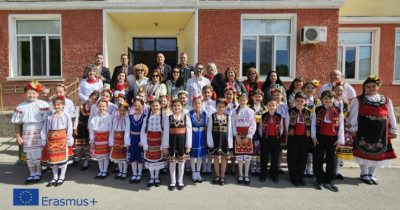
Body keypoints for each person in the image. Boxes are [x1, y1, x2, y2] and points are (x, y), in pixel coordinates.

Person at [349, 76, 397, 185]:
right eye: (368, 86)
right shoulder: (358, 99)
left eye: (373, 86)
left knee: (378, 150)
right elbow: (353, 115)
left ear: (378, 87)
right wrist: (353, 128)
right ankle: (364, 173)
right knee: (363, 149)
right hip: (364, 128)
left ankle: (372, 174)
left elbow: (391, 115)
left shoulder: (386, 99)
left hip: (381, 130)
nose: (371, 88)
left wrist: (394, 130)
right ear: (364, 88)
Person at [11, 80, 51, 184]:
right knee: (29, 155)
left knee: (37, 153)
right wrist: (18, 136)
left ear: (38, 93)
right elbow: (17, 123)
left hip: (39, 130)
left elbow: (48, 121)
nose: (31, 95)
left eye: (33, 93)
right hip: (27, 132)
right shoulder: (21, 106)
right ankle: (32, 173)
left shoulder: (43, 104)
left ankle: (38, 172)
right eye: (28, 93)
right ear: (24, 94)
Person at [311, 90, 344, 192]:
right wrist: (313, 137)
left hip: (333, 138)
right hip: (320, 137)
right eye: (325, 98)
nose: (328, 100)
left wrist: (340, 140)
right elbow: (313, 124)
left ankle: (329, 181)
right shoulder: (318, 109)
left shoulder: (338, 110)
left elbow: (341, 125)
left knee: (332, 160)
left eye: (330, 98)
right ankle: (319, 180)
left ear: (334, 99)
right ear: (322, 99)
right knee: (318, 158)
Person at [40, 95, 73, 187]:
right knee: (53, 160)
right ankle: (54, 177)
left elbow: (69, 128)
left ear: (63, 105)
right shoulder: (49, 117)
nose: (57, 107)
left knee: (63, 159)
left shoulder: (66, 116)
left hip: (62, 140)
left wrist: (69, 139)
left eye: (59, 105)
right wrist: (44, 139)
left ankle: (62, 176)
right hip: (51, 141)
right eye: (55, 105)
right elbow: (45, 129)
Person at [163, 98, 192, 191]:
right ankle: (172, 181)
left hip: (182, 143)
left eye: (179, 105)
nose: (177, 107)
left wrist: (188, 145)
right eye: (175, 105)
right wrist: (165, 146)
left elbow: (189, 132)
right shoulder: (169, 118)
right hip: (172, 142)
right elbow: (166, 133)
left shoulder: (186, 117)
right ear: (172, 107)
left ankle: (180, 181)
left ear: (182, 106)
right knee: (172, 162)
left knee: (181, 162)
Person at [285, 91, 312, 187]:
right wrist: (289, 138)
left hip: (304, 138)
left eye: (302, 101)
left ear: (305, 101)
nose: (300, 103)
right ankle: (294, 178)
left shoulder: (308, 112)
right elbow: (287, 125)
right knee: (292, 158)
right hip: (293, 137)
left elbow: (310, 126)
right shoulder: (290, 111)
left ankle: (300, 177)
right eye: (298, 101)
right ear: (294, 101)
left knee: (302, 158)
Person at [232, 93, 257, 185]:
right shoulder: (235, 112)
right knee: (239, 156)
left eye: (244, 100)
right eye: (240, 100)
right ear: (238, 100)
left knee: (247, 156)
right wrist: (236, 136)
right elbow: (233, 124)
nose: (242, 102)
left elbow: (253, 124)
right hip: (238, 135)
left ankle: (246, 174)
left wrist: (249, 136)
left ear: (247, 101)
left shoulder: (250, 111)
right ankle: (240, 174)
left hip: (247, 136)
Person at [207, 98, 233, 186]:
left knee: (224, 158)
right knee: (215, 158)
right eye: (219, 107)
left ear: (225, 107)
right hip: (215, 139)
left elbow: (230, 131)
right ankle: (217, 175)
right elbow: (209, 130)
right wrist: (210, 142)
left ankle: (222, 176)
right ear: (216, 107)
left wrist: (230, 143)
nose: (221, 109)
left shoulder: (228, 117)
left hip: (224, 140)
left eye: (222, 107)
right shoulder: (212, 116)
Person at [140, 96, 164, 188]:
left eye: (157, 105)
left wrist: (163, 145)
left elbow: (165, 133)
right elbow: (143, 131)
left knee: (157, 159)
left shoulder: (164, 117)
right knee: (150, 160)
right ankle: (151, 177)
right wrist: (145, 144)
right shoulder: (147, 117)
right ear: (150, 106)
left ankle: (156, 177)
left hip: (159, 142)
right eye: (153, 106)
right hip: (149, 142)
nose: (155, 107)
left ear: (160, 106)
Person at [73, 91, 99, 170]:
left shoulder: (95, 108)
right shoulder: (81, 106)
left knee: (87, 147)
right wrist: (75, 128)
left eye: (95, 100)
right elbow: (77, 117)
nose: (93, 101)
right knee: (78, 147)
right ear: (89, 98)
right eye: (92, 98)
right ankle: (79, 157)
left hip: (88, 129)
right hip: (80, 128)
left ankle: (86, 161)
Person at [259, 99, 283, 183]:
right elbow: (260, 128)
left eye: (273, 105)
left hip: (275, 139)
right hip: (266, 138)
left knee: (275, 157)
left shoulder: (279, 116)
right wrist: (263, 137)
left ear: (276, 106)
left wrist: (278, 136)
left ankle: (274, 175)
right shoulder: (264, 115)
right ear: (267, 106)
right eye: (270, 105)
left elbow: (282, 128)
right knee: (264, 157)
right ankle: (263, 175)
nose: (271, 107)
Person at [332, 81, 353, 180]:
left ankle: (336, 172)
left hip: (343, 127)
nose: (339, 92)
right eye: (337, 90)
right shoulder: (330, 102)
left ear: (343, 91)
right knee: (330, 151)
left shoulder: (346, 103)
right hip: (331, 126)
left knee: (340, 151)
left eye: (341, 90)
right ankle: (330, 171)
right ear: (333, 91)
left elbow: (348, 116)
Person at [303, 80, 322, 178]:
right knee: (304, 148)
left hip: (314, 127)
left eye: (312, 88)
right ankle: (302, 167)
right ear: (304, 89)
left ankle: (309, 167)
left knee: (312, 148)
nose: (309, 90)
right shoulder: (300, 99)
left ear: (315, 89)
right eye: (307, 88)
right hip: (302, 127)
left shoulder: (318, 101)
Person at [89, 99, 112, 180]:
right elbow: (92, 131)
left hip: (106, 138)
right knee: (99, 156)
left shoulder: (109, 117)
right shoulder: (94, 118)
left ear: (106, 107)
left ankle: (105, 171)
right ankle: (101, 170)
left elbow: (111, 129)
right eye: (100, 106)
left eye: (103, 106)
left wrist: (110, 140)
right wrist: (92, 141)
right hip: (97, 139)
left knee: (105, 156)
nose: (101, 108)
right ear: (97, 107)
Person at [109, 102, 130, 181]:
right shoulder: (115, 119)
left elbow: (127, 131)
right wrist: (111, 142)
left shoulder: (128, 119)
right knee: (118, 158)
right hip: (116, 140)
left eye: (124, 110)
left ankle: (124, 171)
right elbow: (112, 130)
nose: (122, 112)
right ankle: (120, 171)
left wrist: (127, 142)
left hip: (123, 140)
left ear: (127, 111)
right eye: (120, 110)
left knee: (124, 158)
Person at [188, 95, 207, 183]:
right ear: (192, 104)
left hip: (201, 135)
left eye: (199, 103)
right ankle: (193, 172)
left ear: (202, 104)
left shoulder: (204, 113)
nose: (197, 105)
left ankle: (198, 172)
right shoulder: (189, 113)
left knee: (199, 155)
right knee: (193, 155)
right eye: (195, 103)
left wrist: (206, 138)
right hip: (193, 135)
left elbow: (206, 126)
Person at [127, 97, 146, 183]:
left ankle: (140, 173)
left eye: (139, 105)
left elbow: (145, 130)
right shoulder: (129, 117)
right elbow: (127, 131)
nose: (137, 107)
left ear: (143, 106)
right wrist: (127, 141)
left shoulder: (145, 117)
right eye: (135, 105)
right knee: (133, 156)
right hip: (132, 139)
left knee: (140, 156)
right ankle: (134, 173)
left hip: (140, 140)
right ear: (132, 107)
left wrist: (143, 141)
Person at [248, 89, 267, 176]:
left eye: (259, 96)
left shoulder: (265, 108)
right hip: (252, 130)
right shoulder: (249, 107)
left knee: (260, 150)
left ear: (262, 97)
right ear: (252, 97)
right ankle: (252, 167)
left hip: (262, 131)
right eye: (256, 96)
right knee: (253, 149)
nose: (258, 98)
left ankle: (258, 167)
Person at [271, 87, 289, 174]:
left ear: (282, 95)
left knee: (280, 148)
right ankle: (273, 165)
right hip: (273, 128)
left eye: (277, 95)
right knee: (273, 147)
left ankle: (278, 165)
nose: (276, 97)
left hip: (283, 128)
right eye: (274, 95)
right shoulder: (271, 105)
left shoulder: (285, 106)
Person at [201, 85, 216, 175]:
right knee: (203, 146)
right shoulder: (200, 102)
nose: (207, 94)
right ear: (202, 93)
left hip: (211, 127)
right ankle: (204, 166)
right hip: (202, 126)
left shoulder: (214, 103)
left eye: (208, 92)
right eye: (205, 92)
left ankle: (209, 166)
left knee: (210, 145)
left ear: (211, 93)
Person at [224, 86, 239, 175]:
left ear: (234, 95)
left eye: (231, 94)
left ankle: (233, 166)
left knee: (233, 147)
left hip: (233, 127)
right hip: (225, 127)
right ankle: (225, 166)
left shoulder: (236, 105)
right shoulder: (223, 103)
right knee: (225, 147)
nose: (229, 96)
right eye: (227, 94)